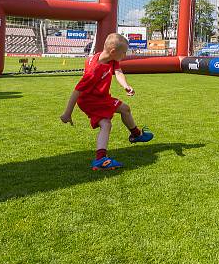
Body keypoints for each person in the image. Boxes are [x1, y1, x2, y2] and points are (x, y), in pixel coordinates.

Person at [60, 33, 153, 170]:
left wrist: (125, 85)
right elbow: (77, 91)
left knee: (116, 116)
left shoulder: (109, 57)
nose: (125, 56)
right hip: (90, 100)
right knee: (114, 117)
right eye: (124, 53)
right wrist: (67, 113)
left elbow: (118, 71)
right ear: (113, 52)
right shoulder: (94, 70)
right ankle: (132, 137)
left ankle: (129, 139)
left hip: (101, 97)